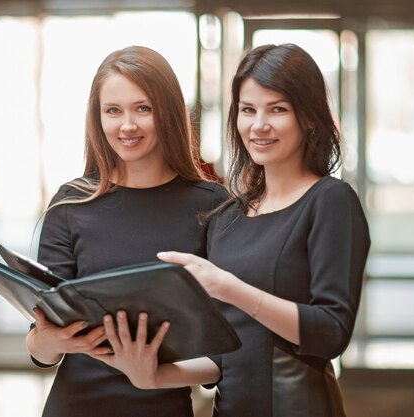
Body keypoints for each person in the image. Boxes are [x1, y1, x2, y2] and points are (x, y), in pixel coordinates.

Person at [93, 43, 371, 417]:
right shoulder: (228, 215)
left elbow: (331, 332)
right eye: (248, 110)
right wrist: (153, 377)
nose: (259, 125)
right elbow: (226, 355)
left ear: (308, 117)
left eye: (278, 109)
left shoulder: (330, 201)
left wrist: (229, 288)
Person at [25, 45, 228, 417]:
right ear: (97, 117)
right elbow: (41, 351)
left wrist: (153, 375)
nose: (127, 125)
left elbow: (224, 348)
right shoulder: (70, 204)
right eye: (113, 111)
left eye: (143, 108)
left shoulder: (214, 205)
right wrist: (47, 340)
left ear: (167, 112)